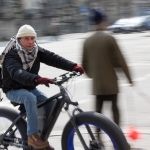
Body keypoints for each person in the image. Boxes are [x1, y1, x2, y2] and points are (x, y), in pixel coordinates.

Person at [1, 24, 84, 150]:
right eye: (26, 38)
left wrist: (73, 66)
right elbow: (17, 73)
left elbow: (53, 58)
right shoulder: (12, 55)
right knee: (29, 98)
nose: (30, 42)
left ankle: (41, 138)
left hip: (29, 87)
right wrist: (37, 79)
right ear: (19, 40)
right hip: (13, 89)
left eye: (32, 38)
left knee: (49, 104)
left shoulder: (35, 51)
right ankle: (32, 136)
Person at [82, 8, 132, 136]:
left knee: (98, 113)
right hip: (111, 83)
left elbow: (84, 65)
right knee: (114, 110)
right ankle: (118, 137)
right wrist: (129, 78)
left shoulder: (87, 41)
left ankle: (97, 139)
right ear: (103, 21)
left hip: (97, 84)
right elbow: (120, 61)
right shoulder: (109, 38)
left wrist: (94, 76)